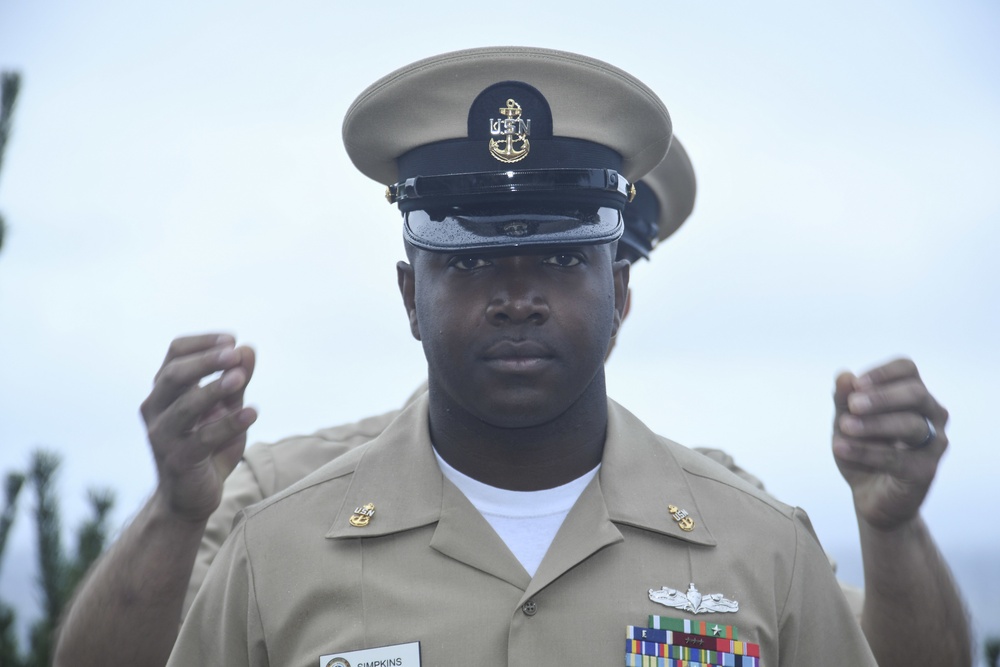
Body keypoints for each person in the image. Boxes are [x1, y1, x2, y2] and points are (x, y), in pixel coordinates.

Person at [52, 51, 970, 666]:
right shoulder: (279, 528)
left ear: (620, 293)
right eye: (474, 256)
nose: (519, 295)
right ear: (412, 294)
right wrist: (178, 512)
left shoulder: (751, 538)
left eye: (568, 255)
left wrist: (890, 529)